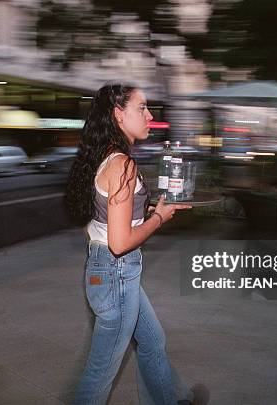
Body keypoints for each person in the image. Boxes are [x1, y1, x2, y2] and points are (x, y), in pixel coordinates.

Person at [65, 83, 209, 405]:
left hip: (111, 273)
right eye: (141, 108)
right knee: (100, 372)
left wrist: (150, 210)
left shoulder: (107, 158)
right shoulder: (122, 165)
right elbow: (120, 243)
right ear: (118, 114)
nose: (149, 115)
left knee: (153, 341)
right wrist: (159, 219)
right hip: (116, 272)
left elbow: (109, 222)